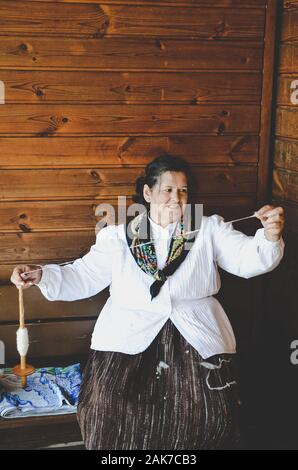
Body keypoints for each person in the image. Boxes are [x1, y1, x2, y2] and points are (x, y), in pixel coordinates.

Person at [11, 154, 285, 450]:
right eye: (167, 190)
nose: (176, 198)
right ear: (147, 193)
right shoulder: (119, 236)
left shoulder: (208, 228)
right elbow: (84, 275)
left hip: (195, 335)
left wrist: (269, 237)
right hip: (128, 337)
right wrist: (41, 276)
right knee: (106, 408)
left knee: (210, 412)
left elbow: (246, 259)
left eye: (183, 191)